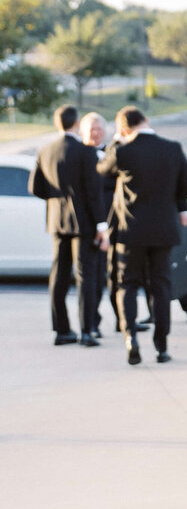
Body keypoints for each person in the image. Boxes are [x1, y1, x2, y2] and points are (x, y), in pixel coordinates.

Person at [98, 106, 187, 366]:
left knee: (127, 284)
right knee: (161, 286)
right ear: (146, 121)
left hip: (131, 230)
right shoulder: (173, 148)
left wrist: (116, 142)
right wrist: (182, 209)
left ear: (124, 128)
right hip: (164, 229)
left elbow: (102, 169)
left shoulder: (122, 151)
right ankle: (161, 346)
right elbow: (186, 186)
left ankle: (131, 338)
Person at [28, 105, 104, 347]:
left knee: (59, 275)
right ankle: (87, 331)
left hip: (56, 220)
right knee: (86, 276)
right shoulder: (85, 152)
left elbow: (35, 188)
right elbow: (93, 193)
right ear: (76, 123)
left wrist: (57, 199)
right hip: (83, 221)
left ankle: (61, 331)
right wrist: (101, 224)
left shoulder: (45, 150)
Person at [78, 112, 116, 337]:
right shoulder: (79, 155)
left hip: (111, 223)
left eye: (99, 129)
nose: (96, 133)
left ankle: (104, 319)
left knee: (104, 276)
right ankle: (90, 322)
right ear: (83, 132)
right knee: (89, 278)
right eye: (92, 129)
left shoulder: (112, 154)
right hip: (88, 224)